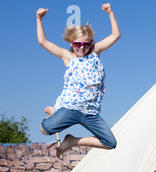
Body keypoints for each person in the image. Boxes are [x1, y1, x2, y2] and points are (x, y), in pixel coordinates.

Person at [37, 3, 120, 158]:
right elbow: (43, 42)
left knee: (110, 143)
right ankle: (55, 111)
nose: (82, 48)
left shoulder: (95, 52)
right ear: (71, 43)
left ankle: (73, 141)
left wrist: (110, 14)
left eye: (86, 44)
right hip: (70, 108)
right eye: (77, 44)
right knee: (44, 130)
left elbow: (115, 35)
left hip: (91, 113)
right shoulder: (68, 57)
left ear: (91, 43)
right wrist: (39, 19)